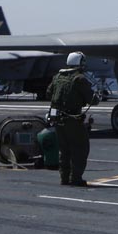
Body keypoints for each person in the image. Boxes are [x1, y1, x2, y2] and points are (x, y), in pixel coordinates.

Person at [46, 51, 99, 186]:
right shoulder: (79, 79)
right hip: (73, 119)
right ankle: (75, 178)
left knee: (64, 150)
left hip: (57, 119)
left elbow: (48, 94)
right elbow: (93, 100)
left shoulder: (57, 77)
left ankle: (64, 178)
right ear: (80, 63)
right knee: (80, 148)